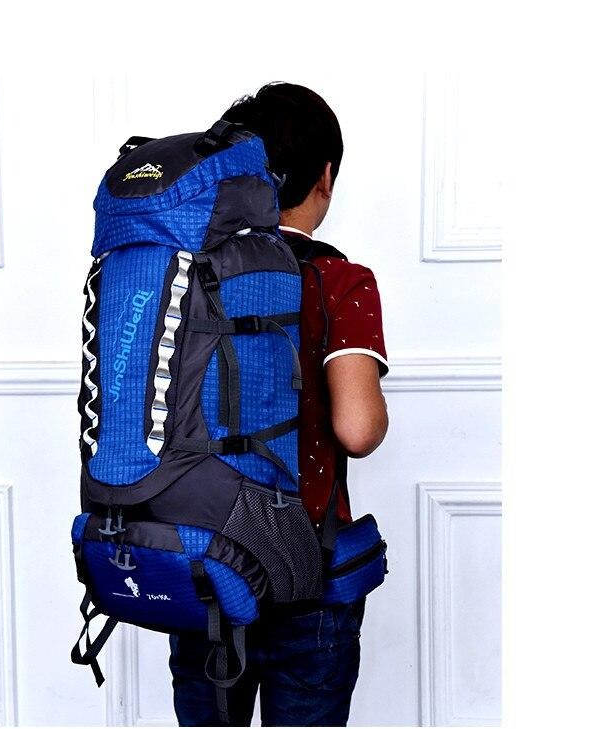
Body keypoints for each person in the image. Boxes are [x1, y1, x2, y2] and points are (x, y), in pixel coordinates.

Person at [168, 82, 390, 727]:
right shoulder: (340, 280)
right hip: (307, 576)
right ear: (326, 177)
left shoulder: (188, 274)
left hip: (208, 566)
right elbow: (358, 430)